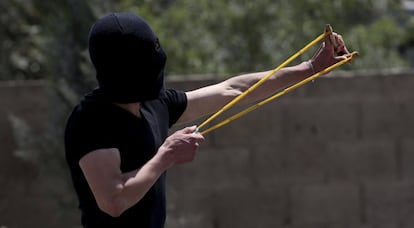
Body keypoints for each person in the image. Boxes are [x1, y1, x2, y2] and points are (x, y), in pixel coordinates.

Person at [64, 12, 350, 228]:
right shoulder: (91, 121)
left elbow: (233, 90)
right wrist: (165, 156)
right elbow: (114, 200)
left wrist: (309, 68)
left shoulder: (155, 104)